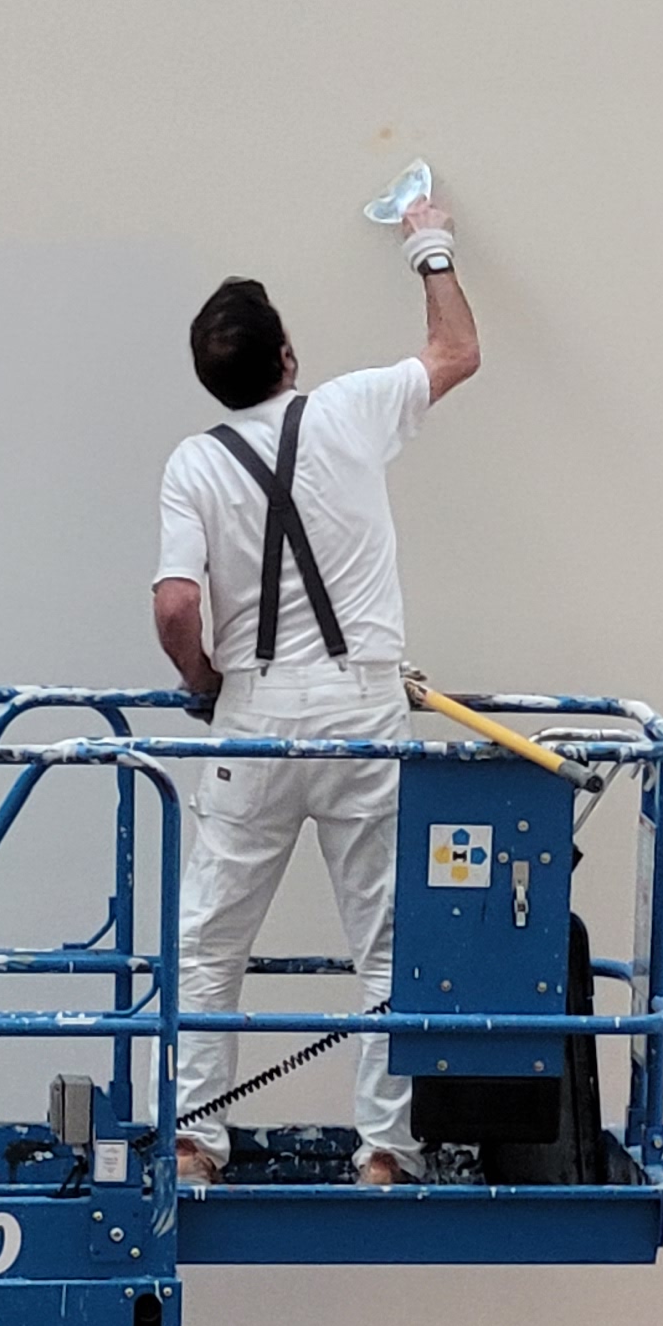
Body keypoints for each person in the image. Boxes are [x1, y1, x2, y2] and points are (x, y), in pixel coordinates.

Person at [151, 191, 478, 1186]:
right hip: (362, 714)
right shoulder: (349, 409)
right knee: (383, 941)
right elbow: (457, 351)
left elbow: (173, 609)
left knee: (211, 943)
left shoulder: (192, 465)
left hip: (253, 717)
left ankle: (196, 1138)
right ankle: (388, 1150)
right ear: (289, 355)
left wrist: (208, 684)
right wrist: (428, 240)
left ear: (213, 379)